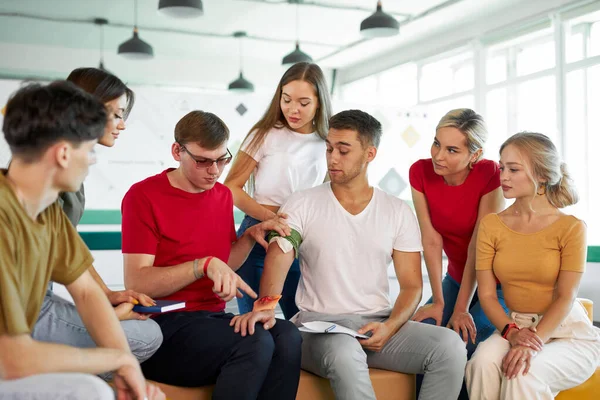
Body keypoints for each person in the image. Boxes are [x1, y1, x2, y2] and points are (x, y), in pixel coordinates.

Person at [231, 110, 468, 400]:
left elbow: (411, 286)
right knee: (345, 352)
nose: (332, 158)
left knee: (450, 347)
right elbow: (280, 256)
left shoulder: (397, 211)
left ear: (370, 153)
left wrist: (390, 326)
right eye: (329, 148)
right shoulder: (302, 203)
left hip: (376, 325)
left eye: (343, 151)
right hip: (318, 329)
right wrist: (266, 303)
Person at [121, 110, 302, 399]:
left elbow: (223, 265)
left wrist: (247, 238)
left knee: (288, 337)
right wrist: (200, 266)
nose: (215, 171)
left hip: (210, 319)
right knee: (254, 343)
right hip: (162, 324)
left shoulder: (222, 196)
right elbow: (138, 283)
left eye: (222, 159)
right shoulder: (142, 196)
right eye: (203, 161)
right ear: (177, 151)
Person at [0, 81, 163, 399]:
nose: (92, 160)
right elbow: (11, 358)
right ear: (63, 153)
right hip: (9, 359)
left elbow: (86, 291)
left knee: (89, 389)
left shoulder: (46, 212)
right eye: (88, 150)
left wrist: (125, 366)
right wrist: (114, 358)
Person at [466, 132, 600, 399]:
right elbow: (488, 295)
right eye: (502, 167)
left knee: (522, 373)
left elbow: (566, 296)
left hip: (567, 332)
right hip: (515, 326)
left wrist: (532, 344)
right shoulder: (491, 225)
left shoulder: (571, 227)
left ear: (541, 176)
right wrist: (512, 333)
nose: (503, 176)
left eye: (513, 169)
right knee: (479, 364)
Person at [225, 61, 332, 319]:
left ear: (319, 103)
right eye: (286, 99)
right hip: (258, 236)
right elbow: (231, 188)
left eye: (304, 103)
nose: (293, 109)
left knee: (305, 320)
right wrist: (268, 218)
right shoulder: (264, 134)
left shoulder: (327, 141)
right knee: (256, 322)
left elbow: (329, 194)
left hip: (303, 239)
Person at [410, 108, 506, 358]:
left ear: (475, 154)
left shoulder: (490, 173)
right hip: (455, 277)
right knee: (423, 335)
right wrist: (438, 303)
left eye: (452, 150)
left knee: (459, 342)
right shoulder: (419, 172)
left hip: (498, 284)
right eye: (436, 144)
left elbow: (479, 246)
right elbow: (430, 240)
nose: (438, 156)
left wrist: (461, 308)